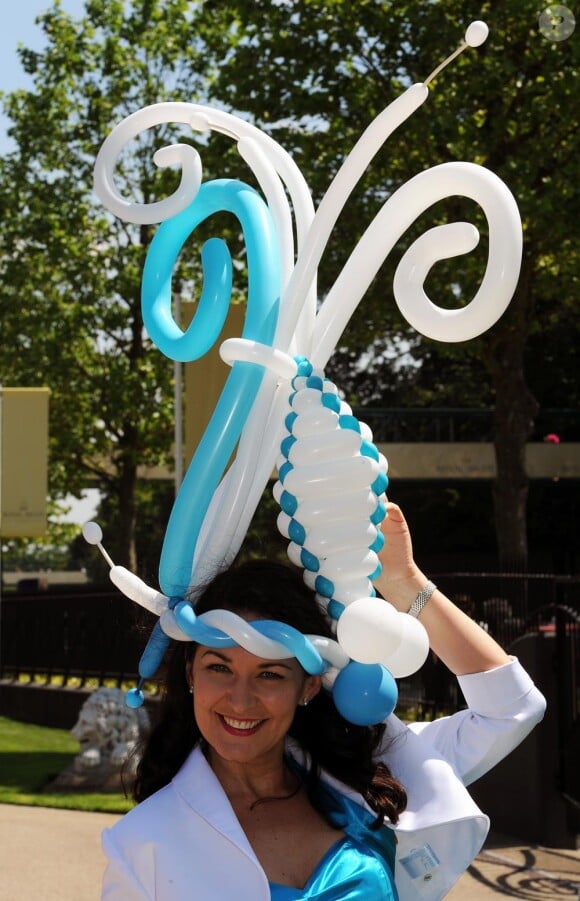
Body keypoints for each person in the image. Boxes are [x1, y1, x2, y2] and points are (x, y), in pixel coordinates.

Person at [101, 503, 546, 900]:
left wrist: (403, 582)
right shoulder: (143, 845)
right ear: (189, 673)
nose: (241, 699)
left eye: (270, 673)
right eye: (219, 667)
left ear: (309, 686)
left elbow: (511, 706)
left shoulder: (366, 771)